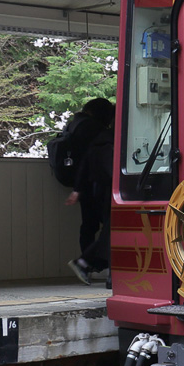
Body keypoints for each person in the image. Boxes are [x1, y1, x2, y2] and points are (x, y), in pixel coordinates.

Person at [63, 97, 114, 285]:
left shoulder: (75, 126)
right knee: (111, 228)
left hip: (89, 185)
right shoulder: (98, 132)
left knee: (92, 226)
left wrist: (78, 189)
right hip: (102, 185)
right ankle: (92, 264)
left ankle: (92, 266)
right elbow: (88, 159)